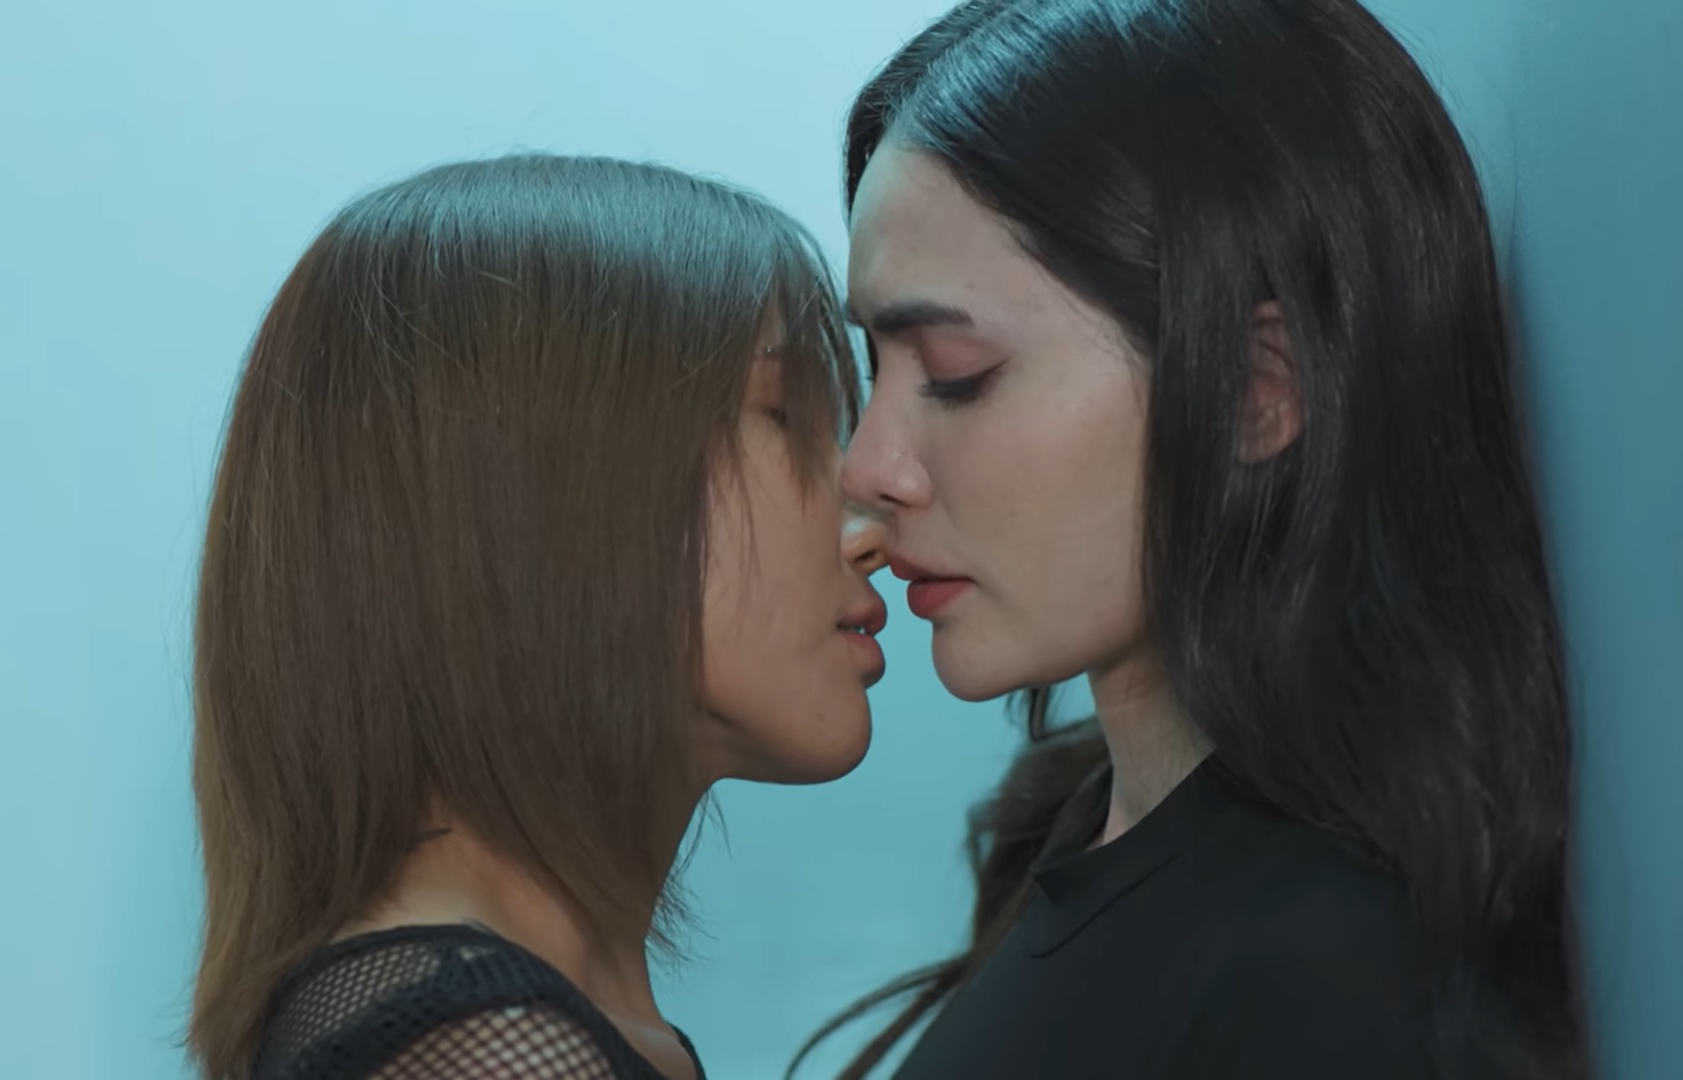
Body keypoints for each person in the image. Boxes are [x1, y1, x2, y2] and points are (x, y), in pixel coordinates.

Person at [797, 0, 1586, 1077]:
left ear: (1260, 390)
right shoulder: (1075, 836)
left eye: (953, 373)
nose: (866, 469)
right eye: (875, 371)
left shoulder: (1327, 984)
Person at [186, 155, 891, 1080]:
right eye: (787, 414)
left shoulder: (494, 1023)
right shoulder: (483, 1053)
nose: (872, 519)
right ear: (542, 498)